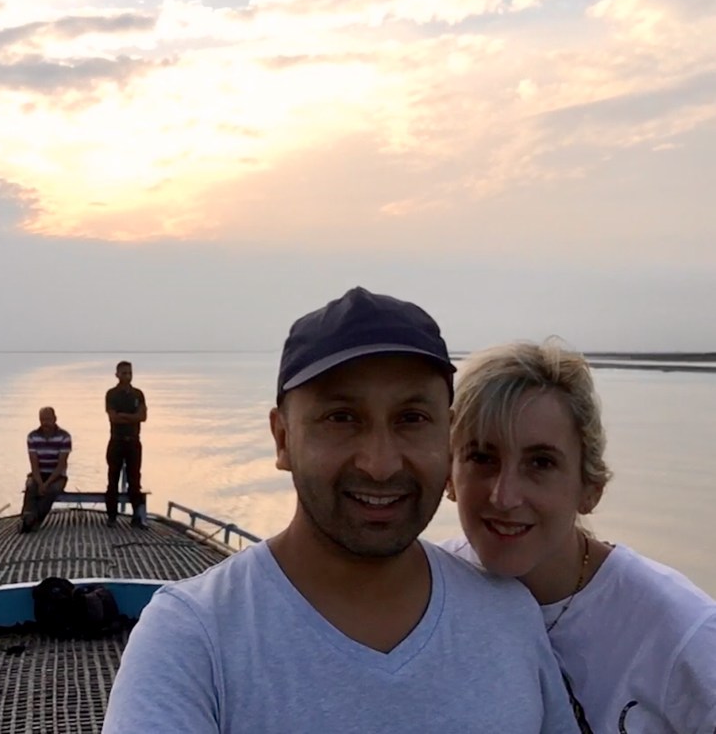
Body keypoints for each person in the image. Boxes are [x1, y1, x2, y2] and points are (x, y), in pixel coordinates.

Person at [103, 287, 579, 733]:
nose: (380, 464)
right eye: (341, 418)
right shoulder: (193, 639)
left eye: (411, 419)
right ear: (283, 438)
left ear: (447, 436)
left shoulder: (510, 617)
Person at [444, 340, 716, 734]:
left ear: (590, 488)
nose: (504, 496)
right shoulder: (426, 596)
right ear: (449, 477)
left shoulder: (681, 633)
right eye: (482, 457)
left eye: (541, 462)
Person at [104, 360, 147, 528]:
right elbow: (113, 417)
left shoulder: (138, 394)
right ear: (117, 374)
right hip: (116, 441)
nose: (127, 376)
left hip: (134, 442)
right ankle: (112, 516)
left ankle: (137, 515)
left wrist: (124, 416)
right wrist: (132, 417)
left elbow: (143, 417)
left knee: (135, 479)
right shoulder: (111, 394)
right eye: (124, 373)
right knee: (112, 478)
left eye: (129, 373)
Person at [19, 406, 71, 533]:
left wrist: (46, 484)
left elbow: (61, 465)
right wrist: (40, 482)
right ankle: (27, 517)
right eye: (42, 419)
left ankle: (31, 519)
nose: (45, 423)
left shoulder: (64, 436)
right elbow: (34, 464)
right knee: (31, 486)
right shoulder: (32, 436)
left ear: (54, 419)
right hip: (39, 474)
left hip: (57, 476)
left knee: (52, 490)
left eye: (48, 419)